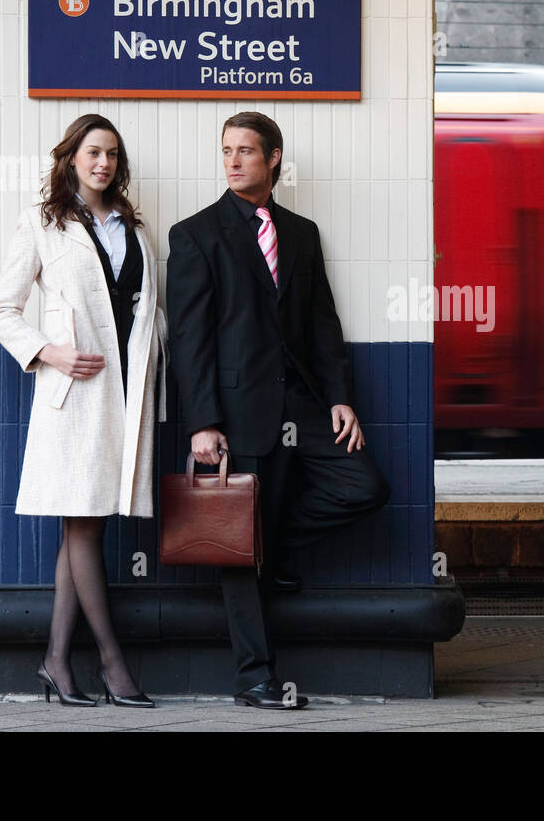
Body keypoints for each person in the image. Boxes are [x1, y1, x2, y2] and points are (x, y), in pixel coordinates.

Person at [167, 111, 390, 710]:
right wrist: (202, 422)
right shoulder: (195, 235)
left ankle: (278, 546)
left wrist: (341, 397)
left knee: (364, 485)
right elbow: (190, 339)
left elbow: (323, 323)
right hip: (236, 411)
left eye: (246, 150)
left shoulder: (301, 232)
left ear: (273, 159)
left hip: (304, 402)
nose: (234, 160)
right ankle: (255, 678)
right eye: (226, 150)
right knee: (236, 543)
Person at [0, 113, 166, 708]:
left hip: (124, 395)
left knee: (82, 524)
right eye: (92, 152)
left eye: (112, 153)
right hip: (74, 398)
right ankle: (113, 664)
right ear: (70, 159)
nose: (103, 163)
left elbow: (146, 315)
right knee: (83, 522)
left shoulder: (135, 230)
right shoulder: (43, 223)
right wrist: (51, 353)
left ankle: (56, 663)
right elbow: (1, 310)